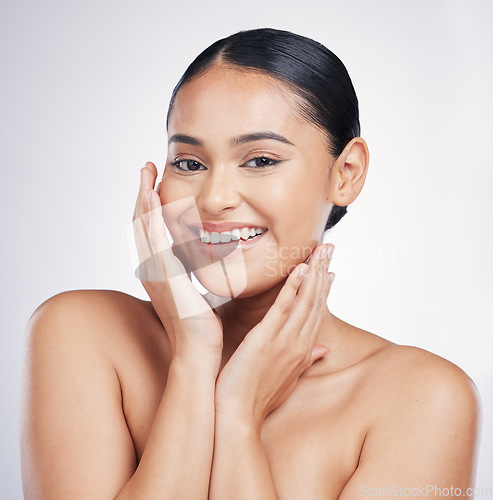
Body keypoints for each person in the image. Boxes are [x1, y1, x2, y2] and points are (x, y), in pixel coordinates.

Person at [21, 28, 481, 499]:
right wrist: (194, 357)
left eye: (260, 160)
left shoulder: (422, 400)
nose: (215, 199)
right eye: (189, 164)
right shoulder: (83, 334)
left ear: (346, 174)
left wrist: (239, 414)